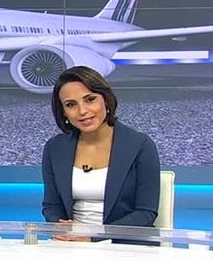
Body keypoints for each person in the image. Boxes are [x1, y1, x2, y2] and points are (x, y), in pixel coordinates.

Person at [41, 66, 160, 241]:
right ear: (64, 113)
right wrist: (60, 225)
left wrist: (94, 237)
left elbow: (145, 213)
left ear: (106, 100)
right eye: (71, 104)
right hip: (71, 243)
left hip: (123, 244)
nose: (82, 111)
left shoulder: (140, 145)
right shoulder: (55, 148)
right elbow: (51, 206)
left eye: (90, 100)